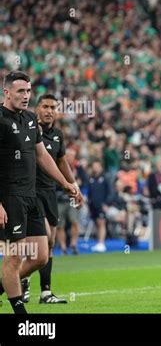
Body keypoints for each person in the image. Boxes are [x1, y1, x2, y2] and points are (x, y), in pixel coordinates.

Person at [0, 71, 80, 313]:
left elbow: (42, 155)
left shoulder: (30, 120)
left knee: (41, 255)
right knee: (13, 257)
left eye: (28, 91)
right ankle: (21, 316)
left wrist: (66, 183)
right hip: (9, 197)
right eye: (20, 91)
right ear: (6, 92)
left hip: (31, 195)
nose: (26, 96)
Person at [21, 94, 84, 304]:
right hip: (32, 192)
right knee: (44, 236)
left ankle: (46, 292)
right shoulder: (29, 131)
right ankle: (23, 278)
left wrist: (73, 185)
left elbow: (61, 161)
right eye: (45, 106)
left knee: (50, 243)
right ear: (37, 108)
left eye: (53, 107)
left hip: (50, 192)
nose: (49, 111)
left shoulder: (57, 135)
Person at [88, 161, 112, 252]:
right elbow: (90, 193)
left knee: (101, 223)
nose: (95, 168)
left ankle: (102, 243)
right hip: (93, 205)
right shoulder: (91, 179)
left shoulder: (105, 179)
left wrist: (106, 204)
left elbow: (110, 192)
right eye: (94, 166)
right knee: (97, 223)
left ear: (101, 167)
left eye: (97, 166)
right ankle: (99, 242)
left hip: (102, 205)